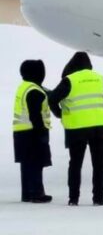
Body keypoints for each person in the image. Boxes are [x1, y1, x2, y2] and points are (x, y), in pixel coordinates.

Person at [48, 52, 103, 207]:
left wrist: (60, 114)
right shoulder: (99, 78)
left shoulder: (70, 80)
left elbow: (52, 99)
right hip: (99, 127)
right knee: (99, 165)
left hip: (77, 128)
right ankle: (98, 198)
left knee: (75, 164)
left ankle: (73, 199)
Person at [12, 59, 52, 203]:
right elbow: (35, 114)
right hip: (32, 131)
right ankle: (36, 193)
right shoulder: (35, 91)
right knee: (36, 162)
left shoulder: (24, 87)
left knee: (27, 163)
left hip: (20, 131)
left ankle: (27, 193)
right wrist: (41, 130)